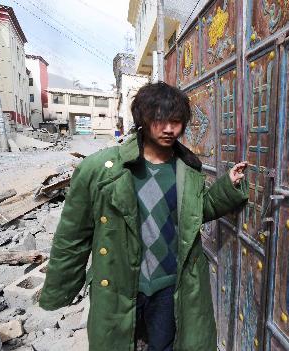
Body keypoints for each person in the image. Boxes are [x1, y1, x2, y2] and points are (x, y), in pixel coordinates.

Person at [39, 82, 249, 351]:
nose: (169, 129)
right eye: (159, 120)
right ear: (142, 119)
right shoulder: (100, 170)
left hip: (168, 284)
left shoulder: (188, 170)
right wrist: (60, 289)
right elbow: (72, 235)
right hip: (120, 282)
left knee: (163, 345)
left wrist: (227, 189)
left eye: (176, 121)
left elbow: (194, 215)